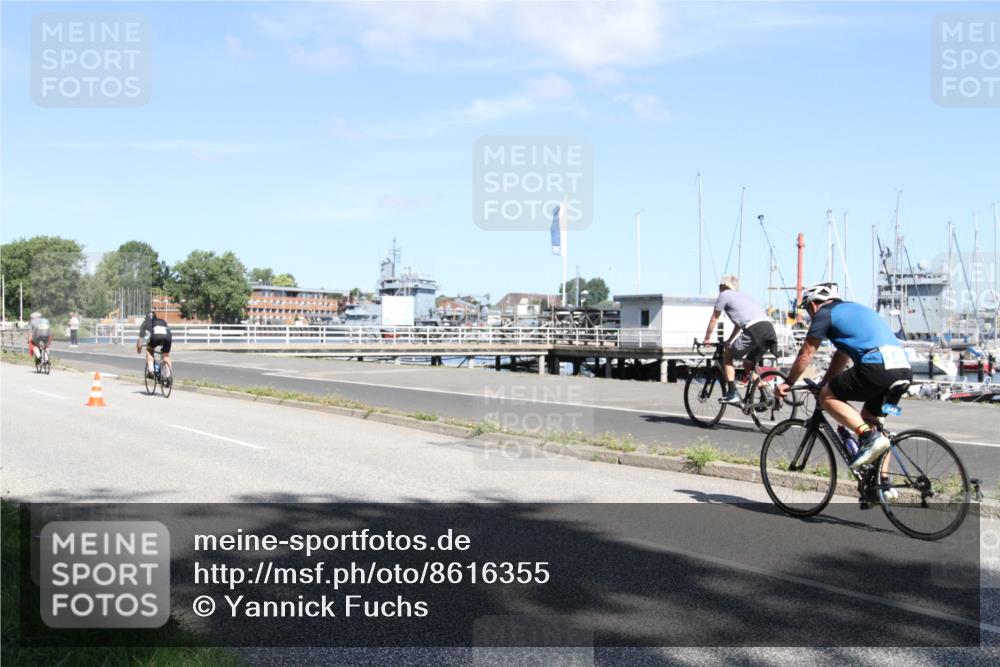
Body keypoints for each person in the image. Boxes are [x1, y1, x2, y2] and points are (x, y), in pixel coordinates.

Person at [776, 283, 912, 469]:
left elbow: (806, 354)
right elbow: (841, 356)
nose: (810, 315)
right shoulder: (854, 310)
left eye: (808, 310)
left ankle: (866, 437)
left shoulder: (824, 313)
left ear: (814, 305)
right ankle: (882, 485)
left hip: (877, 367)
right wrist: (825, 383)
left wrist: (788, 382)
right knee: (873, 423)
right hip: (903, 370)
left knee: (827, 398)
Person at [701, 275, 778, 405]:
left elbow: (714, 318)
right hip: (769, 329)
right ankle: (765, 391)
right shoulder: (744, 297)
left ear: (724, 286)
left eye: (720, 286)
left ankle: (732, 393)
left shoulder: (724, 295)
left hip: (755, 330)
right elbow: (738, 324)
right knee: (748, 365)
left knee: (727, 356)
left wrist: (707, 338)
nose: (719, 288)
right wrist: (730, 340)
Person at [136, 310, 173, 382]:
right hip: (168, 336)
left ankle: (151, 371)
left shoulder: (144, 323)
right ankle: (168, 376)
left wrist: (139, 349)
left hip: (155, 336)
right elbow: (166, 331)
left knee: (149, 350)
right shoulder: (162, 321)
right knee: (166, 356)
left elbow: (140, 342)